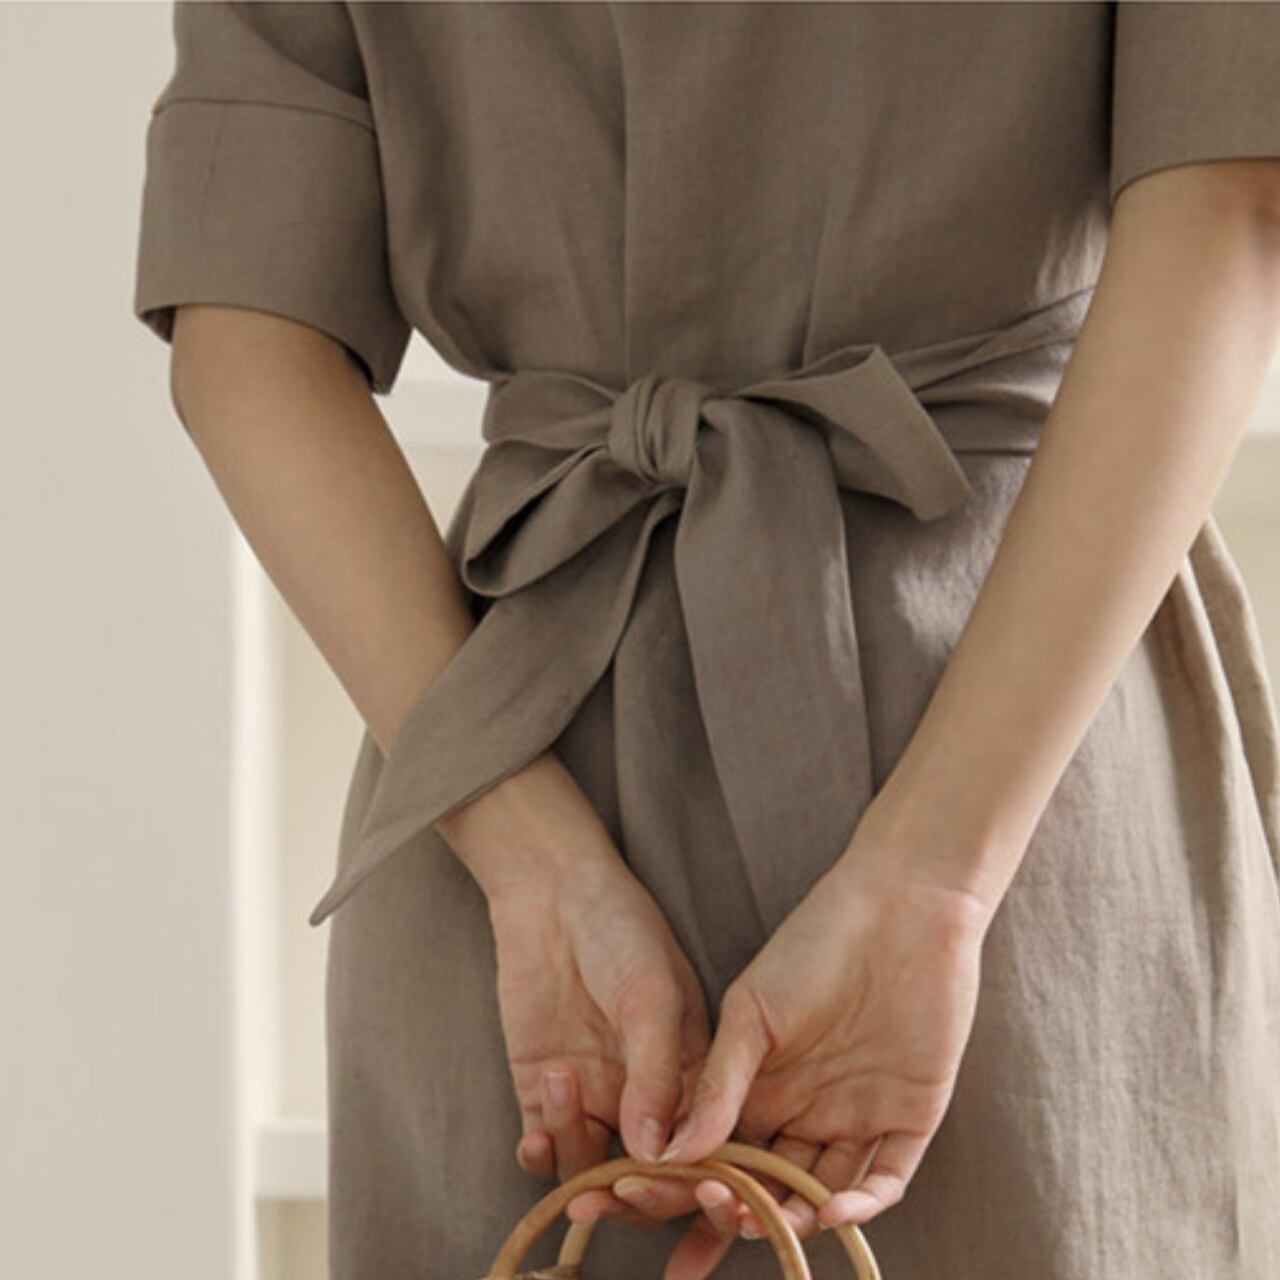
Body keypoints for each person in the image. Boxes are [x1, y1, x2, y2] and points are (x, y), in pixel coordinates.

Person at [131, 2, 1280, 1277]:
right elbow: (1224, 210)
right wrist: (935, 880)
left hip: (518, 769)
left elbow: (243, 332)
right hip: (1020, 755)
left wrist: (531, 861)